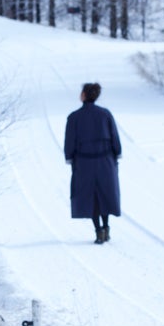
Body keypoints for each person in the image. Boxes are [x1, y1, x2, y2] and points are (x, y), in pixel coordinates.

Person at [63, 82, 122, 244]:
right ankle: (106, 227)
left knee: (91, 195)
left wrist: (69, 157)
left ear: (84, 95)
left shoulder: (74, 117)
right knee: (105, 193)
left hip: (84, 162)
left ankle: (98, 231)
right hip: (105, 161)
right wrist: (117, 153)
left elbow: (70, 141)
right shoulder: (105, 114)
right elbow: (114, 137)